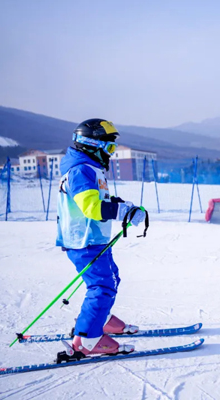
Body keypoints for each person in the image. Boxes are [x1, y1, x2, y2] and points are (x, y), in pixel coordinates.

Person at [56, 118, 147, 356]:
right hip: (83, 240)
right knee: (102, 286)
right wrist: (121, 211)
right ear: (90, 144)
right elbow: (91, 207)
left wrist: (123, 206)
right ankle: (87, 340)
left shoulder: (89, 168)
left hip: (94, 238)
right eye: (109, 147)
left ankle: (100, 321)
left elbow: (101, 201)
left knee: (111, 280)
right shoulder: (80, 170)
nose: (111, 154)